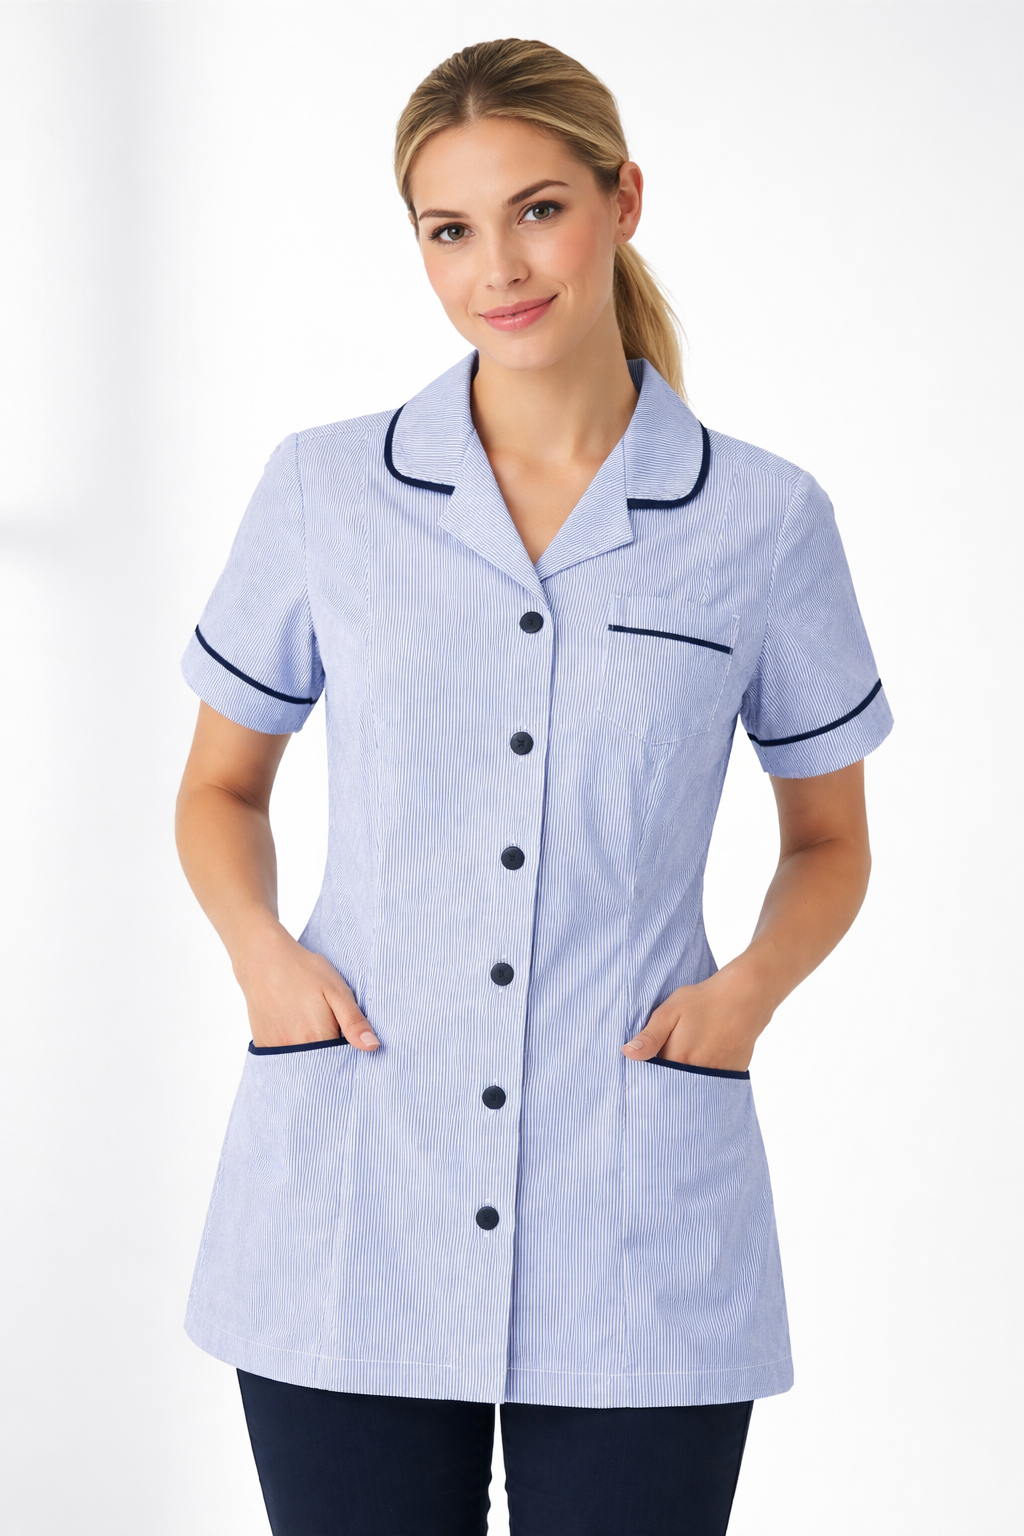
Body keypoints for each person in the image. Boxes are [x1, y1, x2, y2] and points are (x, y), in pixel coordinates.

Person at [175, 37, 892, 1536]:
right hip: (354, 1183)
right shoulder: (325, 491)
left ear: (624, 202)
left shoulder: (761, 521)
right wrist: (264, 958)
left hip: (636, 1197)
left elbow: (827, 836)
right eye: (449, 228)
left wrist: (748, 992)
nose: (496, 265)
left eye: (538, 209)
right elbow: (221, 787)